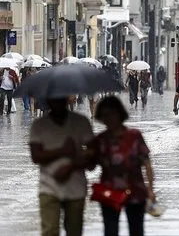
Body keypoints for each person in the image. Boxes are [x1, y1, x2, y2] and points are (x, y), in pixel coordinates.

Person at [29, 97, 94, 236]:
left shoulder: (81, 122)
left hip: (76, 188)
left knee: (75, 231)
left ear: (68, 99)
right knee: (49, 231)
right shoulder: (39, 125)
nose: (58, 101)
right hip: (48, 188)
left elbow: (93, 157)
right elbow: (36, 156)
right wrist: (63, 151)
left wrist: (71, 166)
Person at [91, 96, 156, 236]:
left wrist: (150, 189)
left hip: (135, 190)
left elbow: (147, 163)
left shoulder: (134, 136)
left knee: (136, 230)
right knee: (110, 230)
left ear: (120, 113)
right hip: (109, 190)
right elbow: (90, 165)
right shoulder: (100, 140)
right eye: (105, 115)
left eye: (112, 114)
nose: (109, 118)